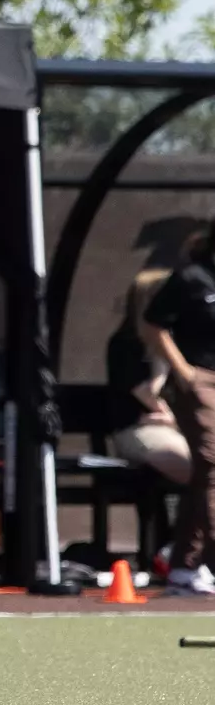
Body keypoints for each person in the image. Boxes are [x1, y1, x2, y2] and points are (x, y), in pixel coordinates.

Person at [142, 229, 215, 597]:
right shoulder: (191, 277)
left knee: (205, 476)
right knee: (211, 462)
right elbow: (154, 323)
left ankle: (185, 563)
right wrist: (184, 372)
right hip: (201, 382)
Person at [108, 269, 191, 488]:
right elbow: (147, 394)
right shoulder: (125, 345)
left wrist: (177, 420)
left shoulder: (180, 342)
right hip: (138, 429)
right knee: (196, 466)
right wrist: (161, 363)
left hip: (178, 427)